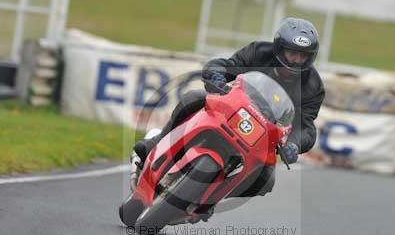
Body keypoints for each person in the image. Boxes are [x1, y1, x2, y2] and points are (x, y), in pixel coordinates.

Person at [132, 17, 325, 199]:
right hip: (231, 110)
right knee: (193, 98)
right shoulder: (258, 52)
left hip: (263, 137)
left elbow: (305, 126)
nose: (296, 60)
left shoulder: (313, 87)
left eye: (303, 56)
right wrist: (217, 77)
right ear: (279, 49)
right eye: (292, 53)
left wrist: (293, 144)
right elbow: (226, 65)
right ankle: (156, 144)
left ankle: (211, 198)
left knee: (266, 181)